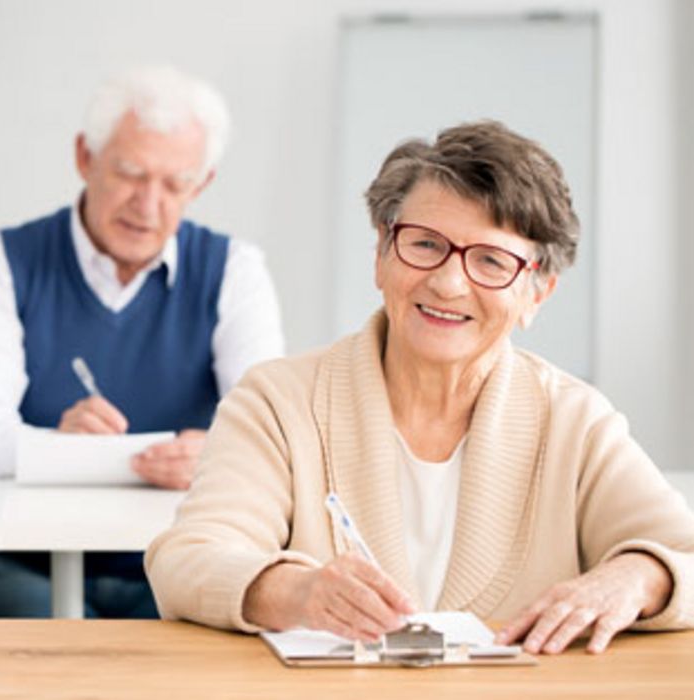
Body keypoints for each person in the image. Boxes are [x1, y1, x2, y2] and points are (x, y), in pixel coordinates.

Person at [147, 120, 694, 654]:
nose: (448, 282)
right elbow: (187, 559)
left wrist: (637, 578)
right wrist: (296, 592)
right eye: (426, 244)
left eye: (490, 261)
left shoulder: (574, 420)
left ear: (537, 294)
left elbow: (685, 554)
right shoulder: (278, 400)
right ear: (381, 254)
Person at [0, 66, 285, 618]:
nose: (148, 204)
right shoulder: (4, 262)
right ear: (85, 158)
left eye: (175, 184)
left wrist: (217, 456)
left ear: (201, 185)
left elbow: (272, 433)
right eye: (131, 174)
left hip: (180, 558)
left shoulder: (235, 271)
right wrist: (60, 442)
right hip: (28, 559)